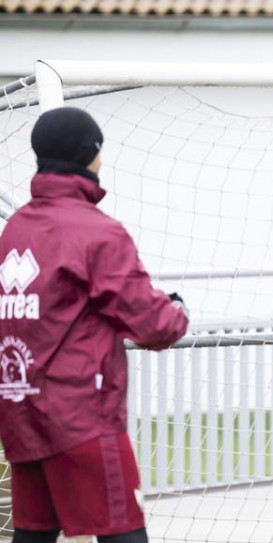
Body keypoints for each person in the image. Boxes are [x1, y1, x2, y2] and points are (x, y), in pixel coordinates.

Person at [0, 107, 189, 543]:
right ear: (92, 155)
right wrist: (178, 311)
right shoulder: (97, 232)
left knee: (33, 535)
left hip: (20, 412)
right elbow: (152, 323)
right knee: (123, 533)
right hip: (80, 416)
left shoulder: (14, 230)